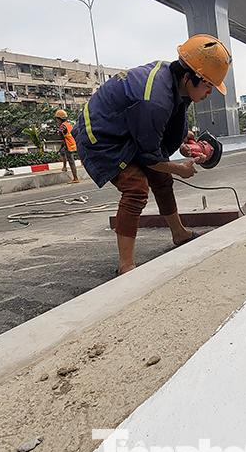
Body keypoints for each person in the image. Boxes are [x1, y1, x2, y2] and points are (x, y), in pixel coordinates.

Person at [73, 34, 231, 274]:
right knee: (135, 187)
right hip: (101, 136)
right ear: (190, 77)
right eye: (208, 85)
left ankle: (179, 234)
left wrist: (183, 142)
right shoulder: (154, 99)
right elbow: (149, 156)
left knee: (162, 179)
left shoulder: (176, 81)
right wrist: (180, 168)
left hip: (125, 130)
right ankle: (126, 266)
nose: (210, 92)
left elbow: (169, 125)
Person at [55, 109, 80, 183]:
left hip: (68, 145)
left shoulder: (62, 126)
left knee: (71, 161)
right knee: (62, 152)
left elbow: (63, 138)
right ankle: (64, 167)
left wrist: (63, 146)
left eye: (57, 119)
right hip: (72, 143)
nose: (56, 121)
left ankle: (76, 178)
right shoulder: (67, 124)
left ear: (59, 119)